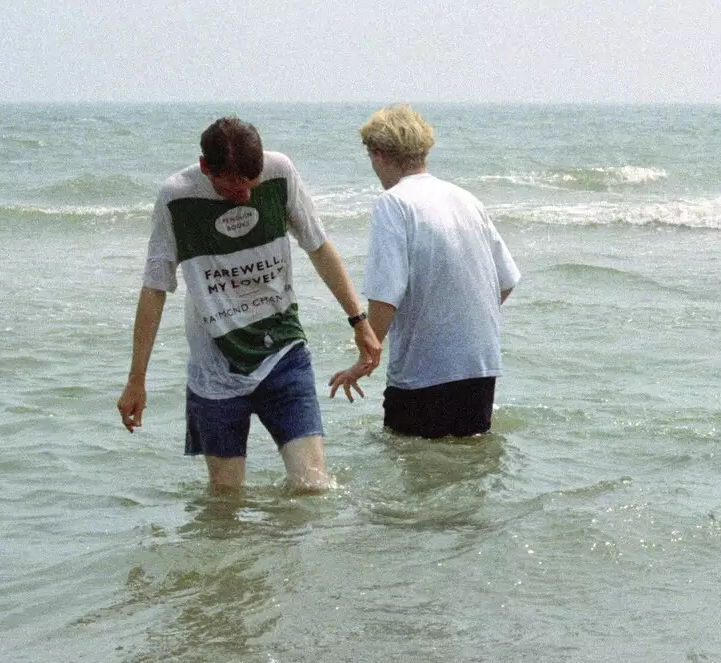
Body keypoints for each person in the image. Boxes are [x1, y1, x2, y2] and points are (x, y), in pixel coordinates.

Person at [116, 116, 379, 492]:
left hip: (283, 351)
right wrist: (136, 380)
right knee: (225, 502)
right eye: (231, 190)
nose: (244, 197)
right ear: (206, 167)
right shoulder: (176, 197)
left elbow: (318, 247)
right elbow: (155, 288)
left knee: (313, 486)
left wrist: (359, 321)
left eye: (250, 186)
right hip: (215, 370)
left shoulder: (279, 172)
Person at [328, 105, 520, 438]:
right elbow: (505, 282)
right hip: (479, 366)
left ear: (379, 154)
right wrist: (453, 323)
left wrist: (364, 359)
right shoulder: (466, 199)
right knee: (467, 471)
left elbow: (385, 296)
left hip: (424, 374)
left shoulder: (393, 203)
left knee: (412, 475)